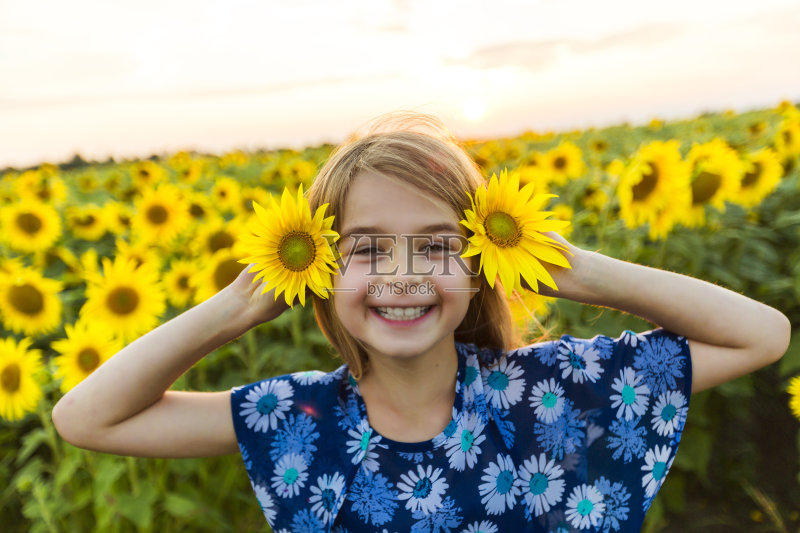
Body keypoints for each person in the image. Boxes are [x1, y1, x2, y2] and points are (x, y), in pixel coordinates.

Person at [52, 112, 790, 532]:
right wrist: (239, 304)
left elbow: (762, 334)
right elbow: (88, 418)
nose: (402, 275)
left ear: (480, 261)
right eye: (366, 249)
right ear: (322, 271)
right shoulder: (296, 420)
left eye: (436, 246)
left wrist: (573, 268)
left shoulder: (552, 390)